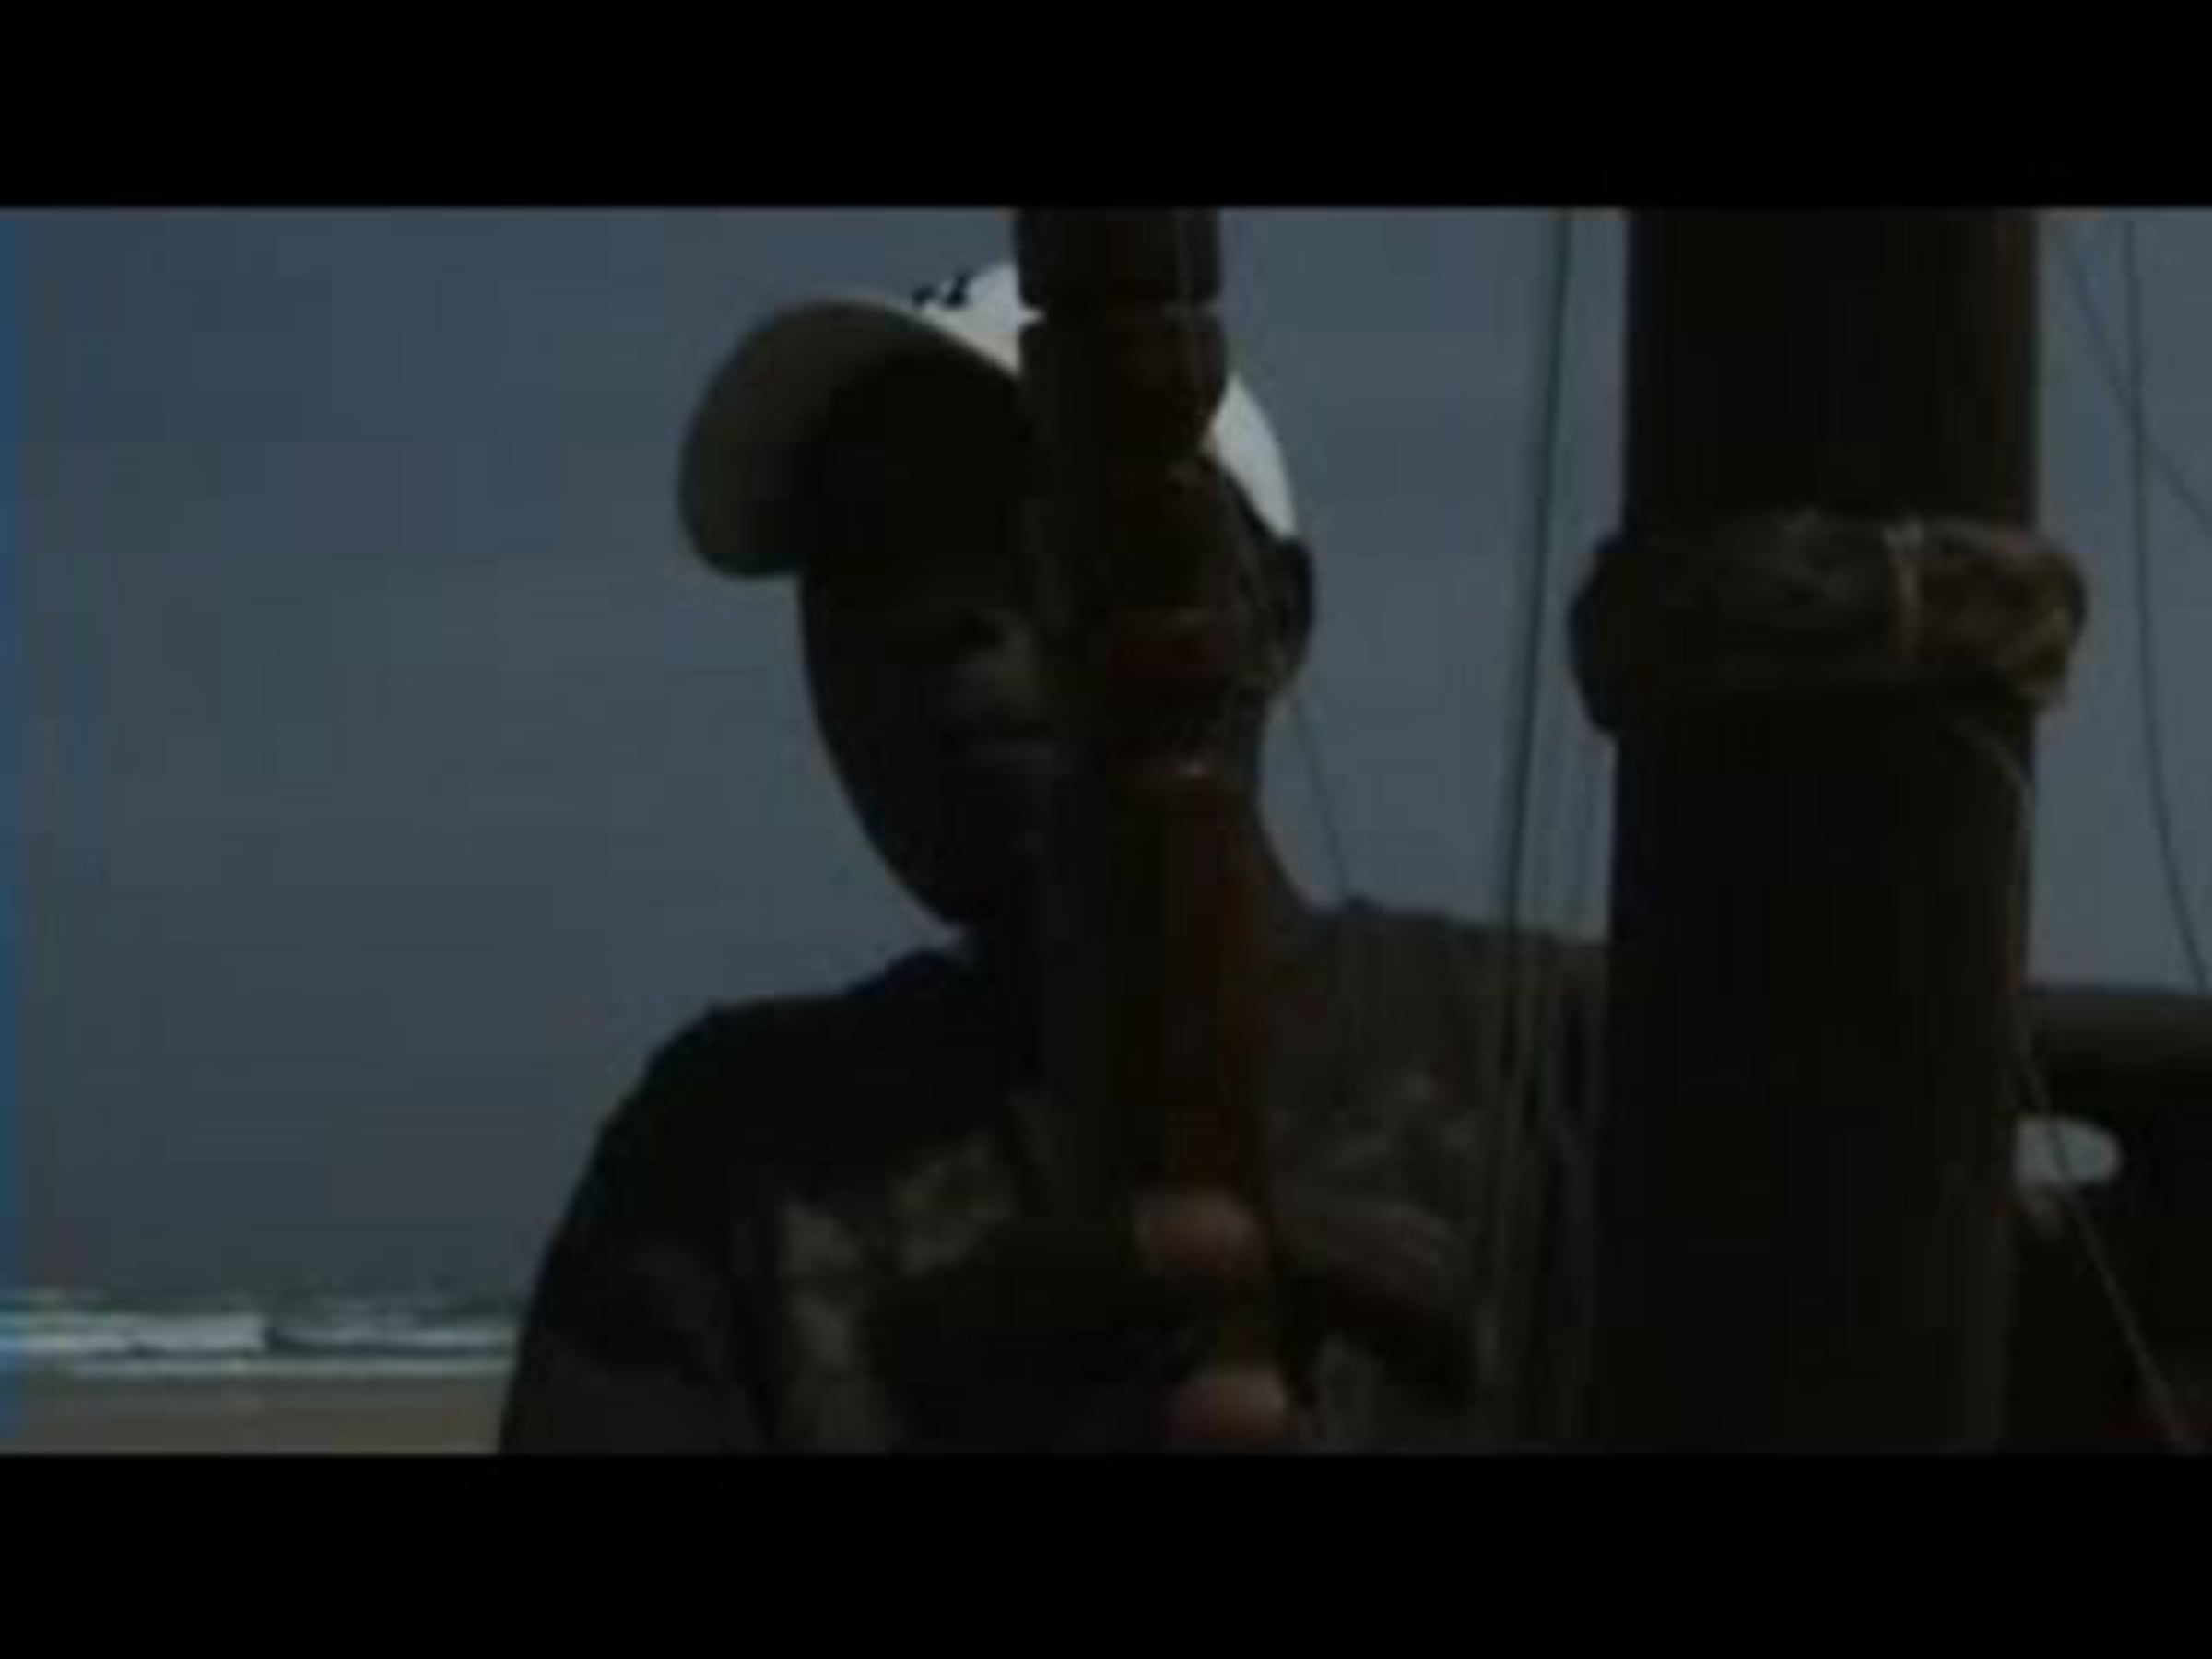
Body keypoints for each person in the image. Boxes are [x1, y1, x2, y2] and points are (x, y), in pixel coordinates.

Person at [499, 265, 1593, 1453]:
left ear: (1271, 615)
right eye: (860, 559)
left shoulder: (1583, 1061)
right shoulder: (725, 1161)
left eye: (1030, 519)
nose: (931, 612)